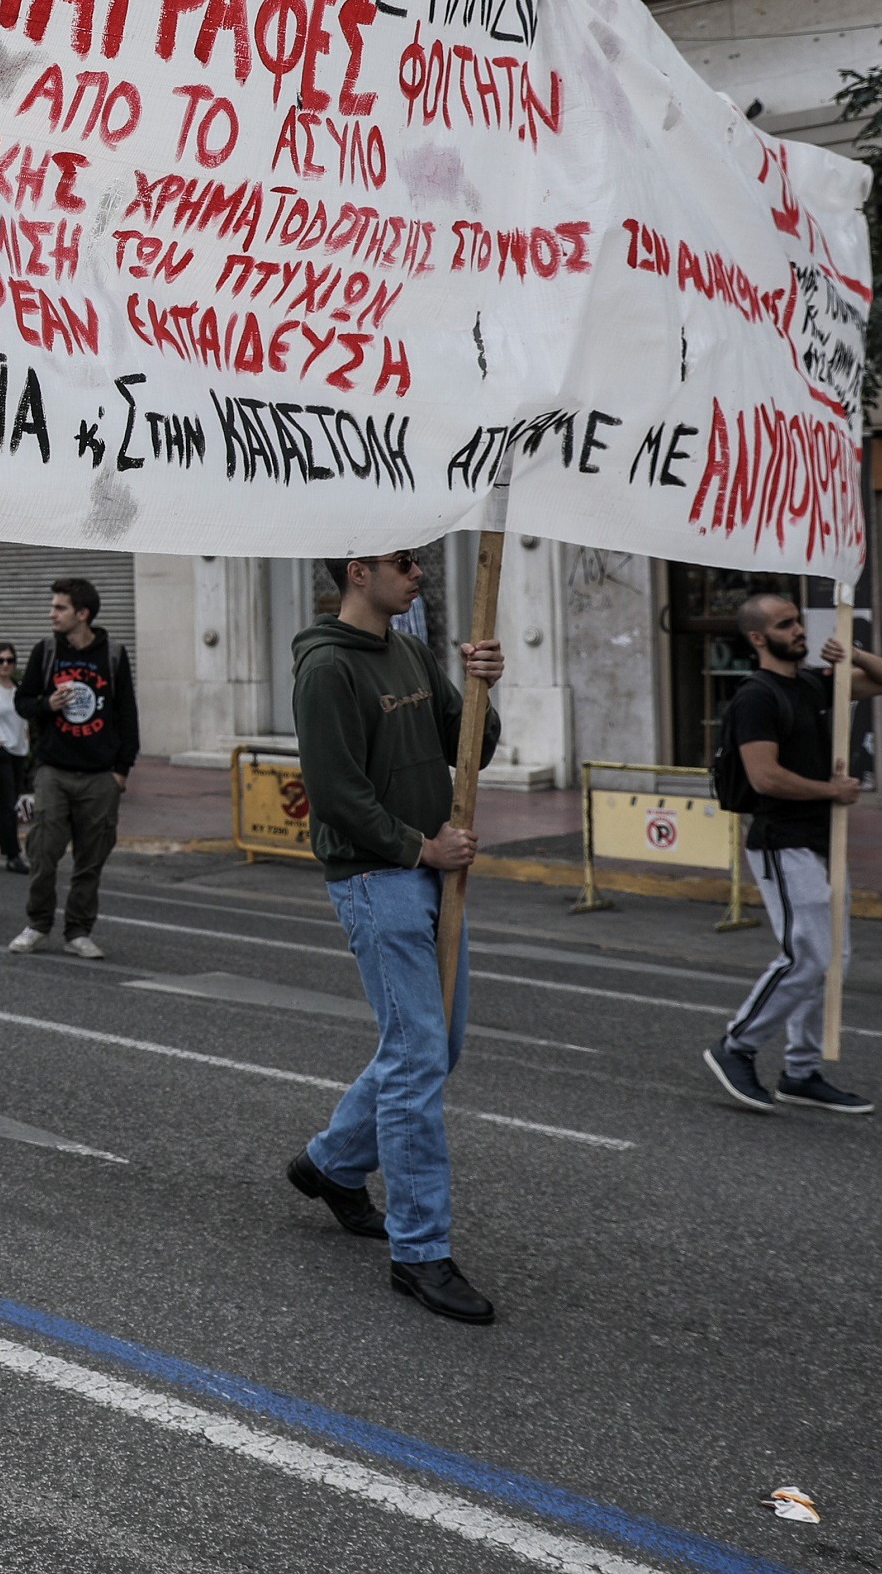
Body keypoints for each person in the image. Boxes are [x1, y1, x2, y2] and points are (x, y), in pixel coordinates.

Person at [281, 549, 504, 1326]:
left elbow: (469, 745)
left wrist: (482, 690)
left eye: (418, 561)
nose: (419, 573)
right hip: (380, 880)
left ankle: (331, 1164)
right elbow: (335, 795)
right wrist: (421, 848)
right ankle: (419, 1252)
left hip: (434, 877)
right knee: (416, 1059)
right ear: (358, 572)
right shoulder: (326, 670)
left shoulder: (406, 648)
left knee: (434, 1048)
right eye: (404, 563)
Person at [705, 593, 882, 1118]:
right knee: (807, 955)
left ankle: (800, 1071)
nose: (798, 630)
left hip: (819, 840)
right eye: (785, 624)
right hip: (781, 841)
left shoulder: (814, 683)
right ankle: (736, 1046)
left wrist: (854, 655)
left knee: (831, 961)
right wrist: (830, 791)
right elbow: (763, 776)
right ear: (757, 638)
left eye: (798, 621)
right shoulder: (756, 698)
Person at [8, 578, 140, 959]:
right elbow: (23, 702)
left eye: (60, 608)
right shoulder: (46, 651)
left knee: (90, 859)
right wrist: (46, 704)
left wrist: (121, 771)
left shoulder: (112, 654)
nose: (51, 613)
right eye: (52, 607)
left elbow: (127, 715)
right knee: (43, 852)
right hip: (54, 770)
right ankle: (37, 924)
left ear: (82, 614)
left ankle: (78, 931)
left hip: (100, 775)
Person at [0, 643, 33, 873]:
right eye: (0, 660)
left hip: (18, 749)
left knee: (8, 799)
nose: (5, 665)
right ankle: (12, 855)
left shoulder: (19, 688)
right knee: (7, 802)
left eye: (9, 660)